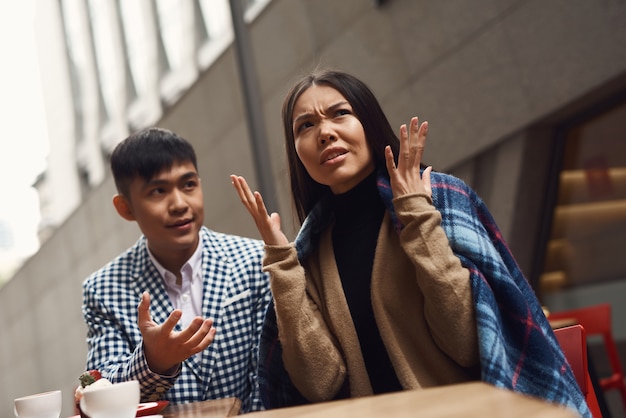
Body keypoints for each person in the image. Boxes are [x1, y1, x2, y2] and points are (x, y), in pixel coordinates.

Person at [230, 69, 591, 417]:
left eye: (340, 113)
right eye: (305, 126)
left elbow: (466, 344)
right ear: (297, 153)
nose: (324, 132)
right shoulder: (309, 252)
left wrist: (417, 217)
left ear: (368, 124)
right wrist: (283, 264)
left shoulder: (440, 199)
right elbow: (320, 384)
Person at [81, 127, 271, 413]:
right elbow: (99, 393)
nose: (180, 204)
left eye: (189, 184)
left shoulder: (254, 260)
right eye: (158, 191)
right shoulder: (103, 289)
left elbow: (268, 379)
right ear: (125, 208)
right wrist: (153, 361)